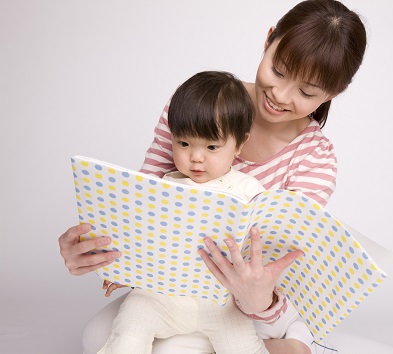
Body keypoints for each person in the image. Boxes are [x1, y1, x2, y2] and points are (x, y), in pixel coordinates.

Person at [59, 1, 367, 353]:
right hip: (174, 288)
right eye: (278, 71)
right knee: (96, 337)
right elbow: (145, 197)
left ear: (335, 92)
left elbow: (282, 268)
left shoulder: (314, 157)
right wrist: (96, 249)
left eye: (307, 92)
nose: (280, 96)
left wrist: (259, 301)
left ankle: (292, 339)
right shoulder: (200, 102)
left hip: (248, 303)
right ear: (268, 40)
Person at [97, 70, 270, 354]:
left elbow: (265, 246)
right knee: (132, 321)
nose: (196, 157)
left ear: (239, 143)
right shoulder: (164, 186)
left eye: (212, 146)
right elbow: (143, 237)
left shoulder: (249, 191)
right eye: (184, 143)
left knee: (243, 346)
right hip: (163, 297)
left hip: (222, 304)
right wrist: (125, 269)